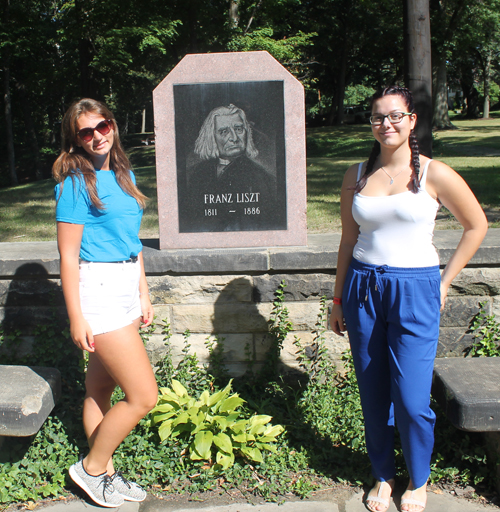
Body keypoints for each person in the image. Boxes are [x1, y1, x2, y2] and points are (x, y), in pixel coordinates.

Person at [329, 86, 487, 512]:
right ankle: (383, 475)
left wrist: (444, 281)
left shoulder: (435, 174)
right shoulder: (357, 174)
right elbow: (348, 239)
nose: (387, 124)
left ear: (412, 120)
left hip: (415, 288)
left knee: (413, 398)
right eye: (379, 117)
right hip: (363, 287)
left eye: (396, 116)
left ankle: (419, 480)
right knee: (373, 390)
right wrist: (338, 298)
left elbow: (476, 225)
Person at [53, 98, 158, 508]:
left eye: (103, 125)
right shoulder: (76, 183)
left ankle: (106, 474)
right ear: (75, 139)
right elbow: (66, 255)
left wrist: (143, 291)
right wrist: (76, 316)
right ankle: (91, 469)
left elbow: (133, 242)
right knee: (143, 396)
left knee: (100, 387)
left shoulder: (122, 172)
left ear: (113, 125)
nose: (97, 136)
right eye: (86, 131)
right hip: (97, 291)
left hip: (125, 284)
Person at [182, 104, 280, 232]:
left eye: (239, 129)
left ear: (247, 132)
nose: (234, 138)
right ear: (212, 137)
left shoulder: (262, 177)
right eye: (224, 132)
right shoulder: (196, 173)